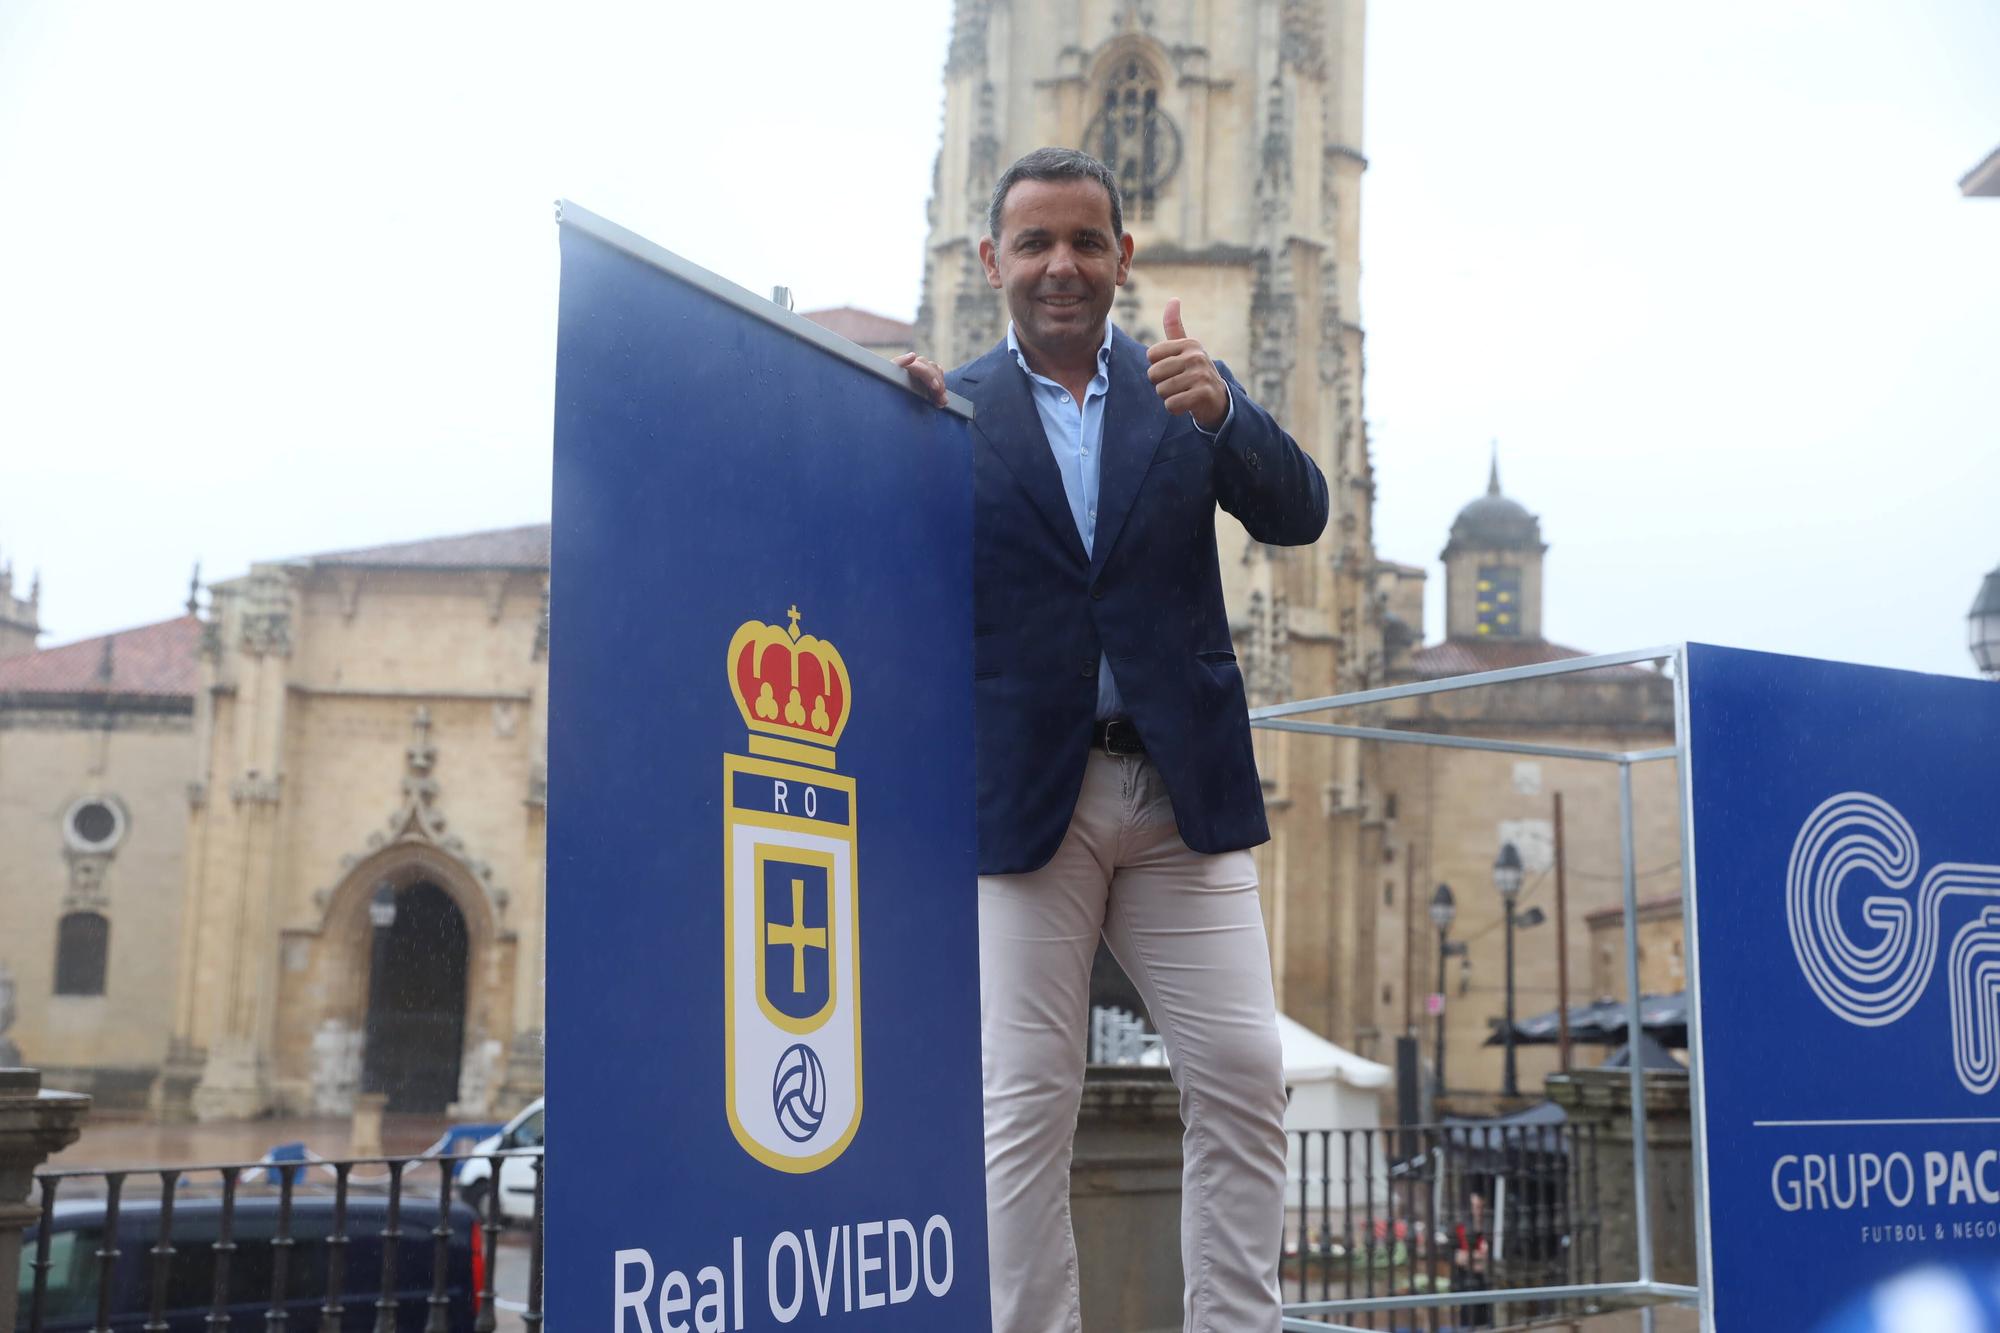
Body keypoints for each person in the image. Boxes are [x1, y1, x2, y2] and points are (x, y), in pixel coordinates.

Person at [897, 146, 1329, 1333]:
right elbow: (876, 567)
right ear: (990, 261)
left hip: (1176, 791)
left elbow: (1300, 512)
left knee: (1243, 1073)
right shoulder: (951, 410)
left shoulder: (1180, 386)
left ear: (1122, 257)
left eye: (1085, 241)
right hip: (1031, 799)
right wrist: (885, 430)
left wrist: (1229, 409)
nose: (1060, 265)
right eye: (1033, 242)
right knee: (1023, 1101)